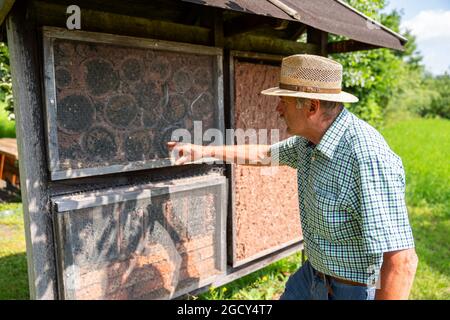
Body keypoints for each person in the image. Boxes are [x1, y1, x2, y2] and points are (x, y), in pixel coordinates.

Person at [167, 54, 418, 300]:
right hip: (314, 276)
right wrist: (202, 151)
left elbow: (402, 262)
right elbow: (264, 154)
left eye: (283, 101)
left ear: (311, 106)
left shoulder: (366, 156)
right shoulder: (308, 143)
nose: (277, 109)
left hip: (353, 290)